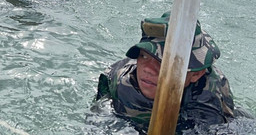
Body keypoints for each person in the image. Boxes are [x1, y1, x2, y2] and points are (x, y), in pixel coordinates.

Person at [95, 12, 235, 132]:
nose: (148, 69)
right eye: (144, 56)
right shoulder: (118, 79)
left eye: (163, 62)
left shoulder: (206, 100)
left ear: (195, 74)